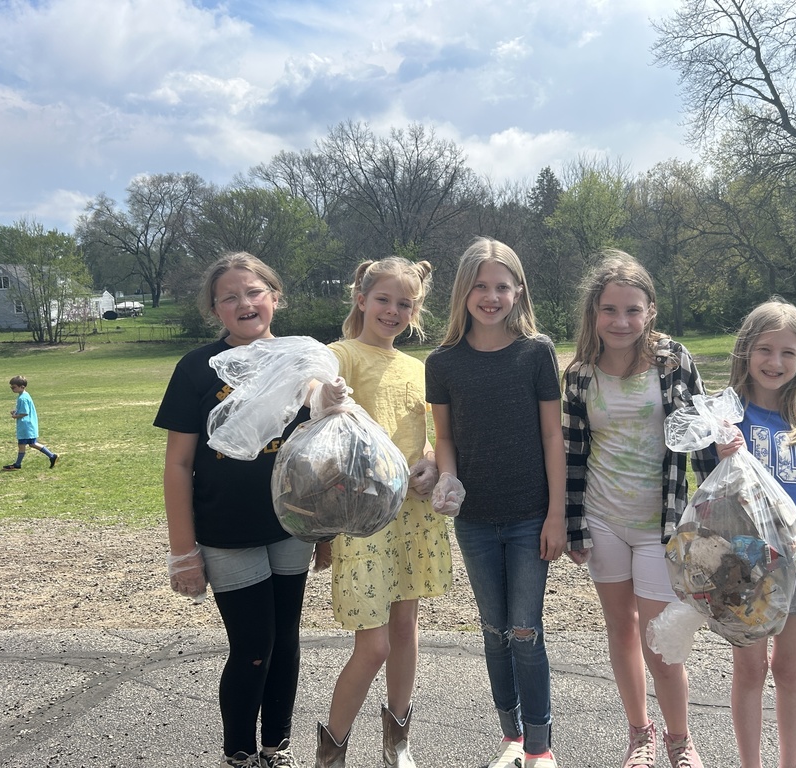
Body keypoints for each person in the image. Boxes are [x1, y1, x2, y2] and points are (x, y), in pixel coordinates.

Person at [155, 252, 322, 768]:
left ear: (274, 297)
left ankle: (277, 745)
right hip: (226, 533)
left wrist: (328, 530)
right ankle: (240, 754)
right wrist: (183, 552)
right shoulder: (196, 368)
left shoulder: (303, 361)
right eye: (229, 296)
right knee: (253, 646)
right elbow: (179, 465)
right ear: (215, 309)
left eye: (254, 292)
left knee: (286, 643)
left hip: (290, 528)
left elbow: (320, 454)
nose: (244, 303)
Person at [562, 251, 716, 768]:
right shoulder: (581, 374)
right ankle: (639, 735)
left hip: (662, 524)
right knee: (621, 630)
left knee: (660, 640)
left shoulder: (673, 360)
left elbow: (701, 434)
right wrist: (573, 524)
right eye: (610, 310)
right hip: (603, 519)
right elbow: (573, 454)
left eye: (632, 310)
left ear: (650, 310)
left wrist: (719, 486)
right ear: (594, 313)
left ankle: (680, 739)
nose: (621, 321)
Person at [425, 237, 566, 768]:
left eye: (501, 286)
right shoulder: (443, 362)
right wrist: (448, 479)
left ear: (518, 290)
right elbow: (445, 439)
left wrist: (556, 513)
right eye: (480, 286)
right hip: (476, 520)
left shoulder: (537, 352)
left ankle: (539, 745)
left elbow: (553, 436)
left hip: (532, 516)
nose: (491, 296)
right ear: (463, 292)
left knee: (526, 631)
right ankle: (509, 736)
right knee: (493, 629)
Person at [314, 257, 453, 768]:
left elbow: (439, 437)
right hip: (362, 517)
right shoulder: (343, 354)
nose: (393, 311)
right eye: (384, 300)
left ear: (415, 310)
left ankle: (397, 743)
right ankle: (331, 750)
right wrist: (323, 394)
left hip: (415, 515)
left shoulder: (421, 368)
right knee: (372, 647)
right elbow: (314, 391)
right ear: (361, 299)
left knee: (405, 631)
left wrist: (434, 463)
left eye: (404, 303)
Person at [717, 298, 796, 768]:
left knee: (790, 673)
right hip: (745, 567)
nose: (775, 362)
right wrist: (719, 447)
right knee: (749, 672)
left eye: (788, 352)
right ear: (745, 351)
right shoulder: (727, 417)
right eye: (765, 350)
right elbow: (711, 497)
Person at [3, 375, 59, 470]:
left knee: (22, 445)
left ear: (22, 387)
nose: (12, 389)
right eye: (11, 387)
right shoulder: (25, 395)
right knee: (32, 443)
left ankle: (17, 465)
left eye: (14, 387)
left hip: (25, 426)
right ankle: (52, 456)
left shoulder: (22, 398)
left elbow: (25, 412)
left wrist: (15, 416)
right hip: (29, 425)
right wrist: (16, 411)